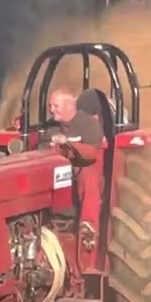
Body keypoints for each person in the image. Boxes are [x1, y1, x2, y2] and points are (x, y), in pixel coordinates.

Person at [42, 88, 103, 240]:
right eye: (50, 106)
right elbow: (41, 151)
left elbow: (93, 153)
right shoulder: (50, 127)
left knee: (86, 170)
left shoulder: (89, 124)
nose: (51, 110)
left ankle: (88, 227)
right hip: (57, 170)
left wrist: (68, 144)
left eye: (56, 106)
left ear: (69, 106)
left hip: (84, 170)